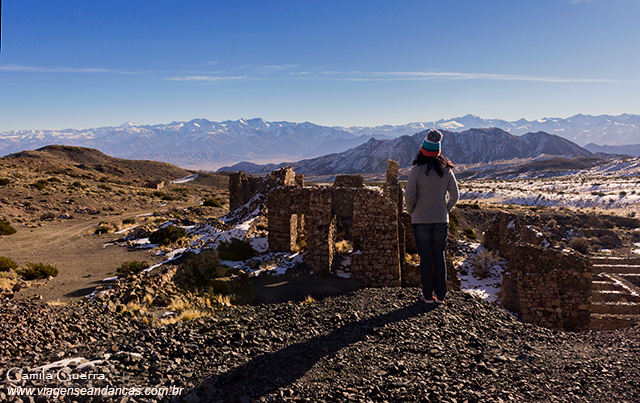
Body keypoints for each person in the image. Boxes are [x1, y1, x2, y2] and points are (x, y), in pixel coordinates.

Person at [405, 129, 459, 304]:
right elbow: (455, 195)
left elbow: (409, 197)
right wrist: (446, 209)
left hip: (421, 220)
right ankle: (441, 296)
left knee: (426, 258)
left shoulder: (416, 171)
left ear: (422, 150)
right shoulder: (446, 171)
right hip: (441, 220)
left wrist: (412, 211)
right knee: (439, 257)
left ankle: (427, 296)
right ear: (438, 151)